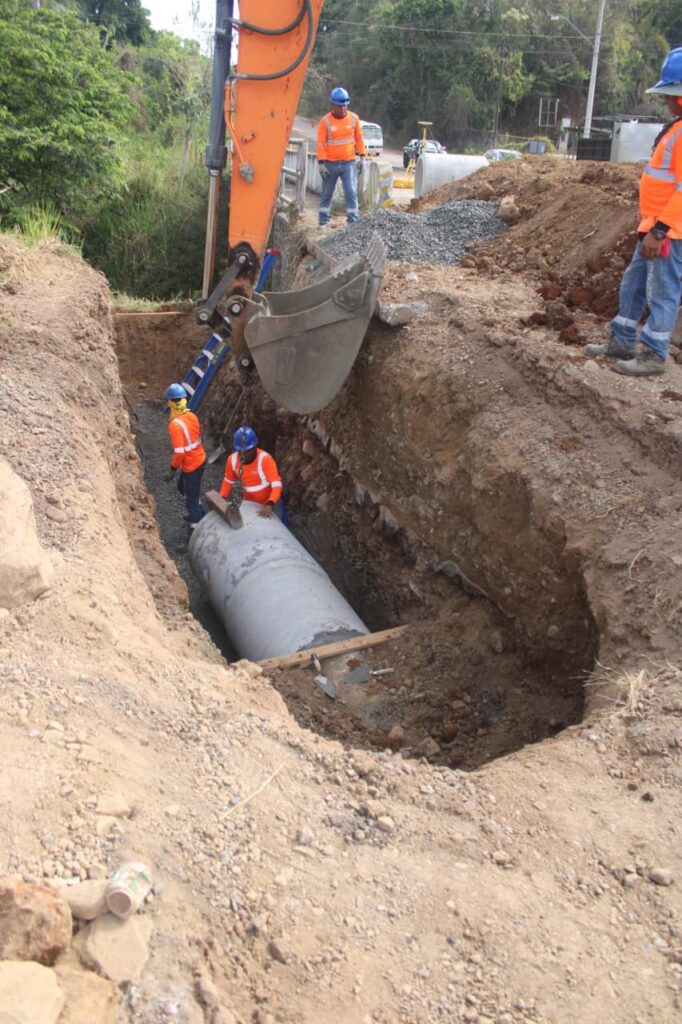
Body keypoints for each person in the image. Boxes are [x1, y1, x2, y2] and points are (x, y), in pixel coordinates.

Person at [585, 48, 682, 377]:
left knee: (663, 290)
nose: (669, 102)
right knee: (633, 283)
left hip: (668, 231)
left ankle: (655, 354)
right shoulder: (676, 128)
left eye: (674, 95)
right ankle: (623, 340)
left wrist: (660, 230)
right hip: (654, 226)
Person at [316, 86, 366, 227]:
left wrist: (362, 157)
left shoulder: (354, 119)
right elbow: (321, 144)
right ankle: (323, 222)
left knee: (351, 191)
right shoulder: (325, 121)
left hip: (348, 163)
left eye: (345, 105)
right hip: (330, 164)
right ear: (332, 105)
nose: (343, 108)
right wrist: (321, 164)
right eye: (339, 106)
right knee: (326, 194)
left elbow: (359, 139)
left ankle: (353, 221)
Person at [164, 383, 206, 529]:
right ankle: (198, 510)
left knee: (191, 499)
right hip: (200, 459)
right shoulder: (192, 416)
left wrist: (172, 470)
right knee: (182, 487)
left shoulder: (175, 425)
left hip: (192, 465)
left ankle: (195, 528)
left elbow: (180, 453)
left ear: (170, 402)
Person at [219, 426, 282, 519]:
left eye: (248, 451)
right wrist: (221, 499)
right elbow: (228, 481)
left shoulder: (265, 459)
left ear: (255, 446)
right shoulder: (232, 460)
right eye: (241, 451)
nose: (244, 455)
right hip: (249, 504)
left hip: (269, 503)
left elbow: (276, 484)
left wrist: (270, 504)